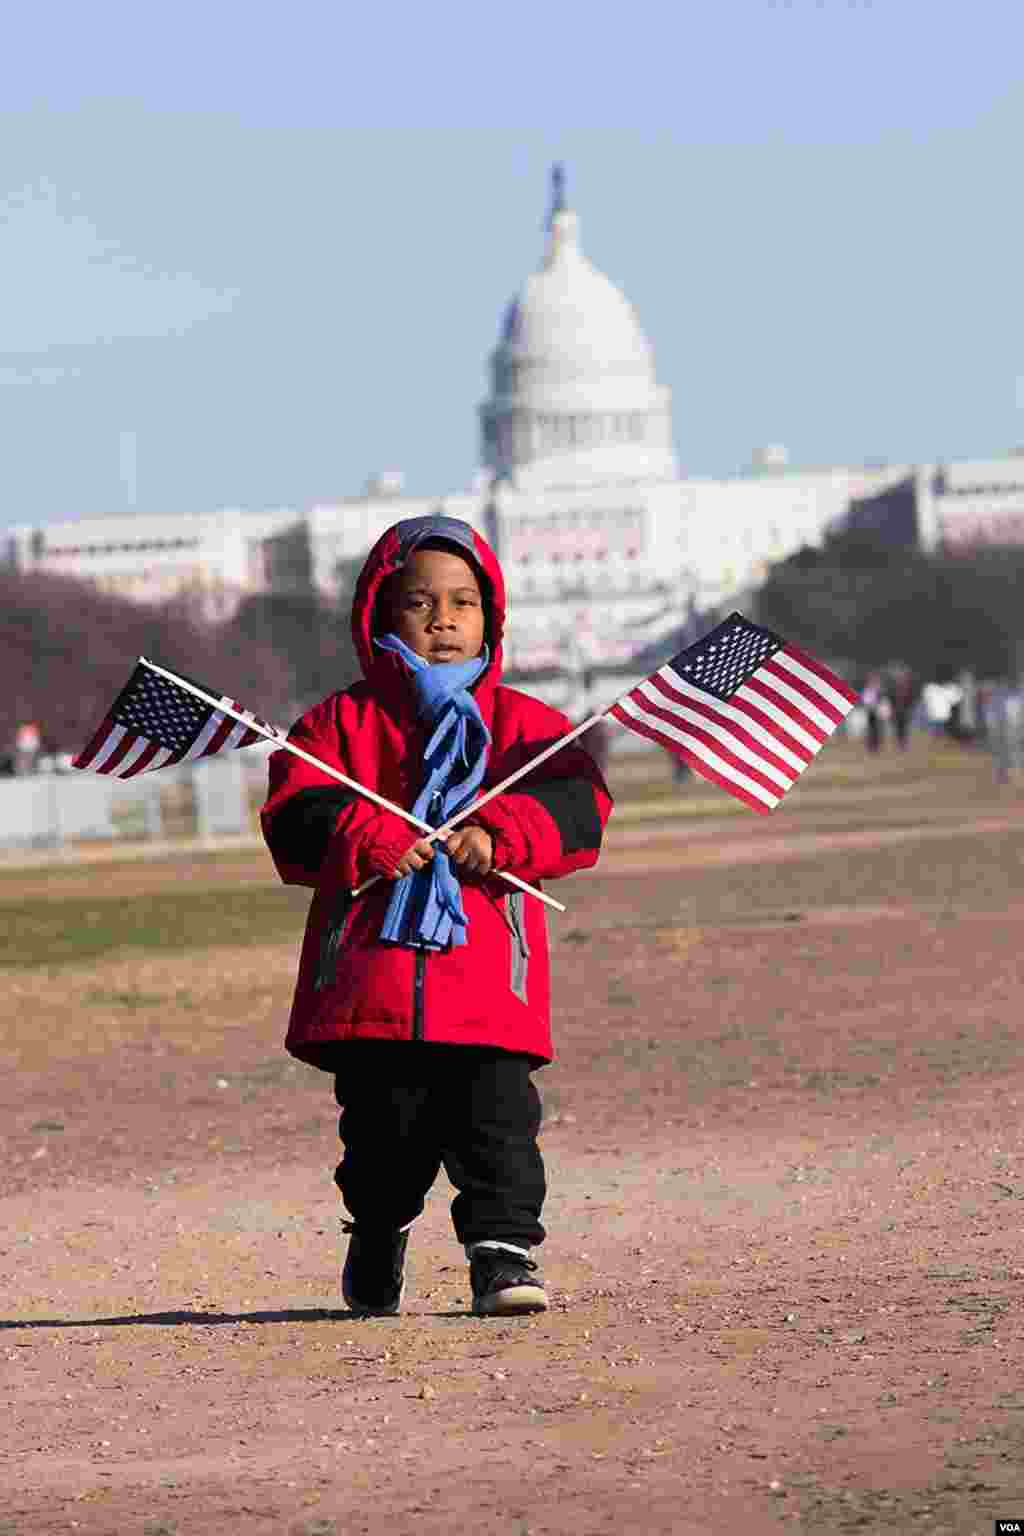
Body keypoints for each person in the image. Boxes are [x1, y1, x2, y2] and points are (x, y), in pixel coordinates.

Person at [261, 516, 612, 1319]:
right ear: (381, 615)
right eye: (420, 602)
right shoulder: (338, 726)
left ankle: (502, 1252)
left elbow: (579, 806)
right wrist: (367, 833)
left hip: (488, 979)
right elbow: (292, 815)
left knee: (499, 1127)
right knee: (385, 1136)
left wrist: (501, 835)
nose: (444, 620)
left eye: (463, 602)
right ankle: (378, 1229)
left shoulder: (527, 725)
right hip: (375, 978)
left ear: (492, 615)